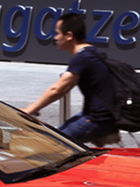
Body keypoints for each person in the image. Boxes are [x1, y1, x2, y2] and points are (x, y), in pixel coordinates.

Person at [22, 13, 117, 144]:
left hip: (97, 119)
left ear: (69, 36)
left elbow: (56, 89)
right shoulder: (92, 52)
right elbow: (63, 90)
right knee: (61, 139)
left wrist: (29, 110)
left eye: (57, 33)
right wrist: (36, 107)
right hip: (99, 116)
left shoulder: (83, 58)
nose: (55, 38)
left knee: (52, 144)